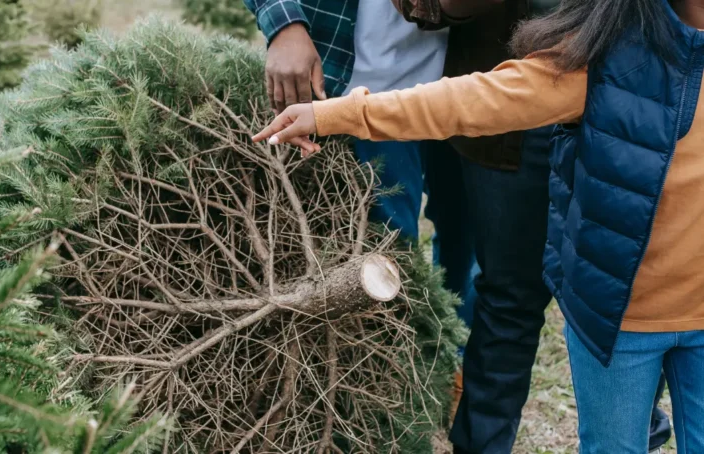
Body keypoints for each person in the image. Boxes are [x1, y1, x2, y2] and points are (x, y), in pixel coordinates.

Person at [253, 0, 704, 452]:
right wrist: (336, 114)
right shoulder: (602, 59)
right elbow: (475, 100)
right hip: (620, 325)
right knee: (508, 301)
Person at [389, 1, 672, 452]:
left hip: (635, 102)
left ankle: (636, 433)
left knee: (632, 290)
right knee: (509, 299)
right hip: (511, 110)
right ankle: (481, 445)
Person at [241, 0, 480, 334]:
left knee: (470, 243)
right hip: (356, 89)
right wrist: (284, 24)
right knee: (384, 257)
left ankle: (450, 362)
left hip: (473, 83)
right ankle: (396, 360)